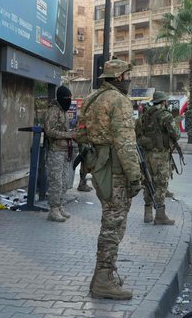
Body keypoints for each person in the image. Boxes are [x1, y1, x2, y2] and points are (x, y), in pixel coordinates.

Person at [76, 58, 144, 300]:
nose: (129, 79)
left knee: (111, 220)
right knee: (114, 224)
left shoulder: (91, 99)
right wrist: (135, 177)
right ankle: (104, 280)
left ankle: (100, 277)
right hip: (116, 170)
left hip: (100, 167)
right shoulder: (119, 101)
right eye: (127, 75)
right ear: (118, 78)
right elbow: (126, 142)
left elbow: (81, 135)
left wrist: (95, 159)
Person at [135, 91, 180, 225]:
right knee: (161, 184)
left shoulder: (145, 116)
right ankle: (160, 215)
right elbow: (175, 134)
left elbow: (138, 133)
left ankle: (147, 213)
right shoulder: (165, 115)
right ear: (163, 102)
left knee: (148, 182)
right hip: (160, 155)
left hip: (146, 154)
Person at [44, 85, 76, 222]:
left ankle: (60, 205)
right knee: (56, 181)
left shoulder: (62, 111)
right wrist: (68, 135)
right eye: (67, 98)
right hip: (55, 151)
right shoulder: (53, 111)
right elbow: (49, 131)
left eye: (70, 98)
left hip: (64, 151)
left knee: (64, 181)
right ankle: (53, 209)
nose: (69, 100)